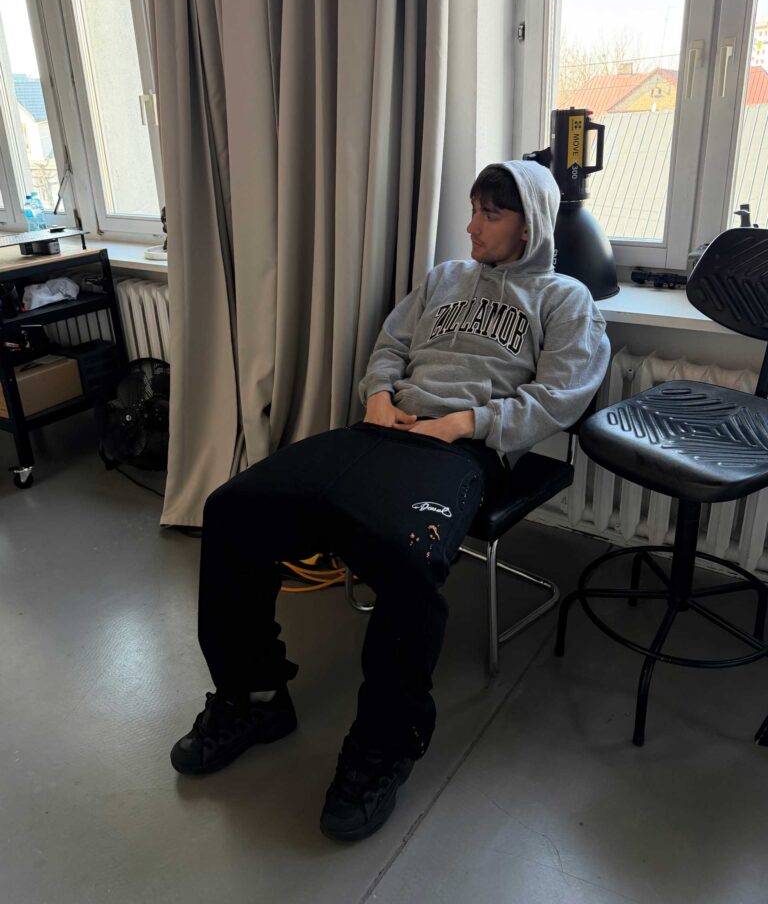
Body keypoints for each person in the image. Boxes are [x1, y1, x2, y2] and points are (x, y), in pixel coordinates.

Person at [170, 160, 611, 842]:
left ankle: (384, 747)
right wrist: (377, 396)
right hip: (381, 429)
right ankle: (253, 696)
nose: (472, 225)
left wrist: (462, 424)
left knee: (406, 559)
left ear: (530, 227)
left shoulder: (564, 299)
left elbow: (562, 395)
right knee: (234, 510)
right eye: (473, 208)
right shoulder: (444, 279)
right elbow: (391, 344)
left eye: (491, 214)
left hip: (461, 451)